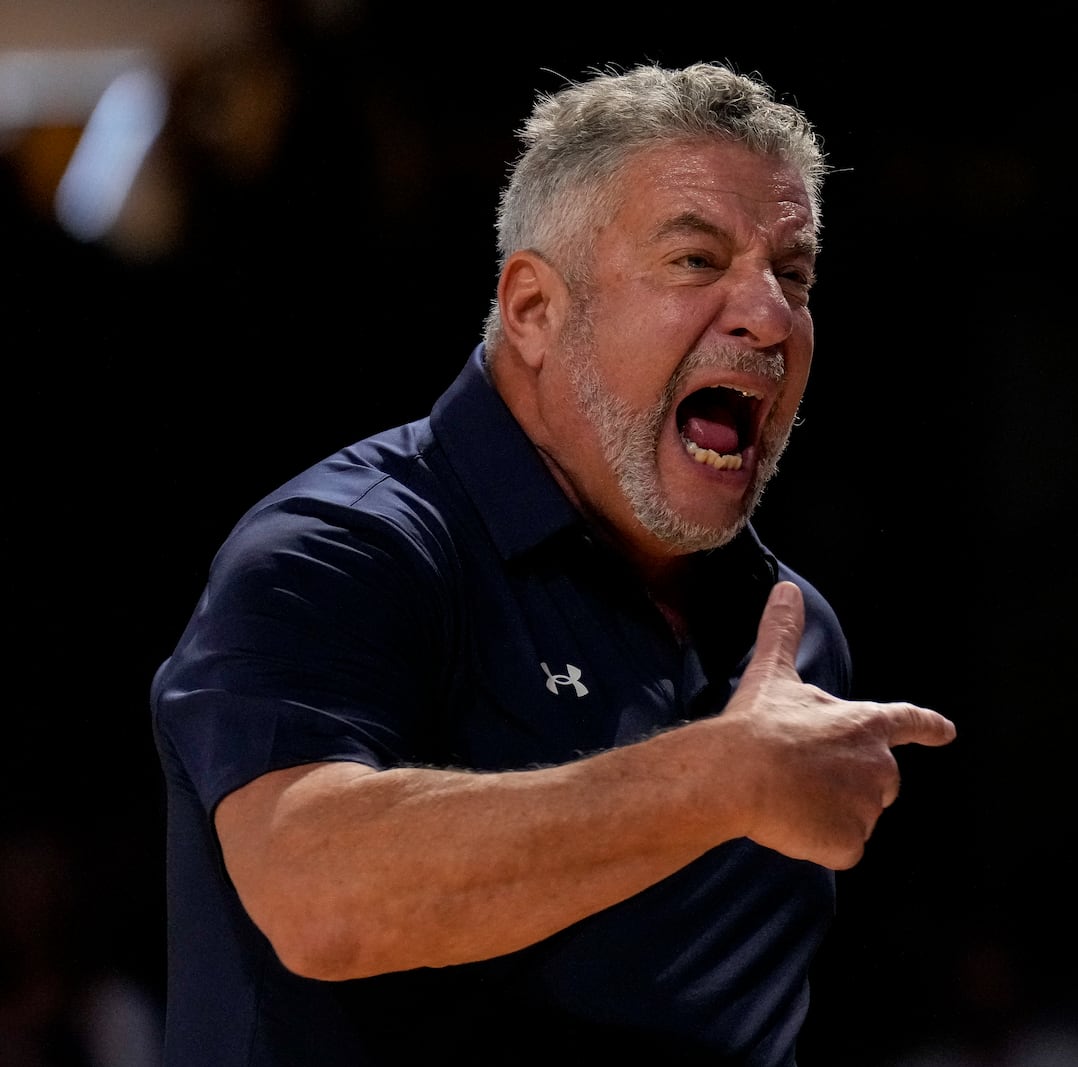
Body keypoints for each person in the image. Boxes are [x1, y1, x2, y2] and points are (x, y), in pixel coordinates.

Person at [149, 61, 956, 1066]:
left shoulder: (788, 635)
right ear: (533, 308)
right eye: (698, 260)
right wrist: (713, 780)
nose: (771, 317)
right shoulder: (346, 546)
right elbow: (317, 895)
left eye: (792, 273)